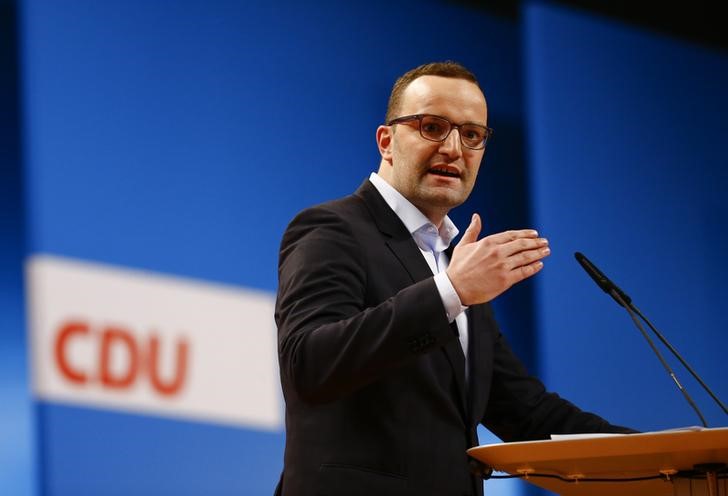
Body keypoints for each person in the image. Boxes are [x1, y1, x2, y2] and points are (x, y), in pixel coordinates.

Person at [274, 61, 632, 496]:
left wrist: (668, 455)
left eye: (472, 135)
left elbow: (527, 413)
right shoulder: (334, 228)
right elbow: (308, 365)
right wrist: (452, 292)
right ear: (387, 142)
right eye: (432, 127)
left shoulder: (451, 260)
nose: (453, 148)